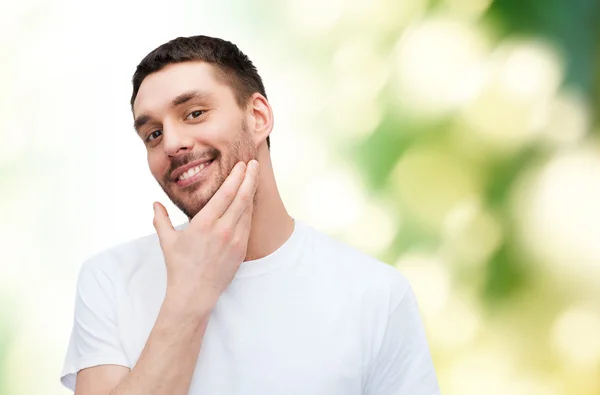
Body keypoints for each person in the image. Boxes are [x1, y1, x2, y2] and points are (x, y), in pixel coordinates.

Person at [60, 35, 441, 395]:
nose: (172, 143)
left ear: (258, 116)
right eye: (153, 135)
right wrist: (189, 296)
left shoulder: (376, 295)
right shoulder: (110, 280)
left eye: (194, 113)